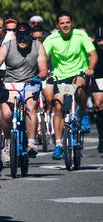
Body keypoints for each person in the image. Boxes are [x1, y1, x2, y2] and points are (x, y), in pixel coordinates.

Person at [42, 12, 98, 160]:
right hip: (60, 77)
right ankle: (59, 144)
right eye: (62, 23)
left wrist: (91, 67)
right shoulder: (52, 39)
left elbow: (93, 54)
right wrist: (43, 71)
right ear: (57, 25)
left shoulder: (80, 35)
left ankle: (84, 112)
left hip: (79, 73)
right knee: (58, 107)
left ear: (71, 23)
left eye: (67, 22)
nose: (65, 25)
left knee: (78, 88)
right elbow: (42, 56)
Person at [0, 22, 48, 162]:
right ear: (16, 36)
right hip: (10, 83)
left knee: (30, 108)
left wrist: (38, 77)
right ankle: (8, 143)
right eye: (19, 37)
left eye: (25, 37)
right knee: (6, 113)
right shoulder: (7, 46)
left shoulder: (38, 46)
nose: (22, 41)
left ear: (30, 36)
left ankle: (31, 142)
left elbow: (43, 70)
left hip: (30, 82)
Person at [91, 27, 103, 152]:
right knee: (98, 106)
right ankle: (101, 139)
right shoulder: (92, 48)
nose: (101, 43)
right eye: (99, 40)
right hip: (98, 78)